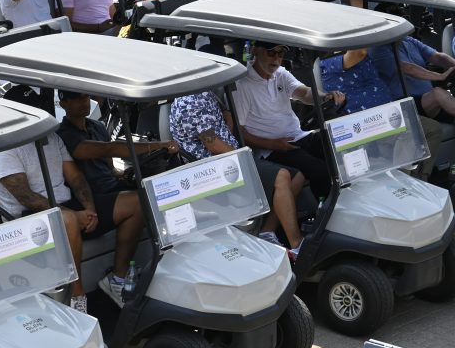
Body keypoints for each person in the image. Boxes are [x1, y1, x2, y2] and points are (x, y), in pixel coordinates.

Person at [0, 86, 99, 313]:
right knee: (66, 221)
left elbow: (75, 177)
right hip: (24, 220)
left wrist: (89, 208)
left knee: (132, 202)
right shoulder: (3, 149)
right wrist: (73, 215)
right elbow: (25, 197)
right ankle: (77, 294)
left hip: (63, 206)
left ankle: (119, 277)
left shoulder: (50, 137)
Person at [57, 89, 168, 305]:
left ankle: (160, 265)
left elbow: (109, 167)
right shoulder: (64, 135)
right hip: (91, 196)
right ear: (63, 104)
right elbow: (106, 150)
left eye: (85, 96)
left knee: (157, 191)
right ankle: (118, 278)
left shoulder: (97, 127)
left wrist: (127, 176)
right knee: (137, 202)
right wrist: (157, 145)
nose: (83, 101)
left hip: (110, 188)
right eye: (76, 98)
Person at [170, 90, 305, 256]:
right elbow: (214, 146)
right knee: (282, 176)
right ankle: (298, 245)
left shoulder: (205, 92)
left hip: (229, 158)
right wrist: (245, 158)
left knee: (297, 177)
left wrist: (226, 112)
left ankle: (266, 233)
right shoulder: (189, 102)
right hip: (213, 169)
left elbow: (223, 118)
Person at [234, 42, 342, 198]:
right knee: (321, 171)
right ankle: (324, 211)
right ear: (256, 50)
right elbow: (239, 132)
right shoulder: (242, 84)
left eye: (281, 54)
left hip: (298, 136)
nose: (277, 59)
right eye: (271, 52)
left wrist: (325, 97)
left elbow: (304, 94)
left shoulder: (280, 74)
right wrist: (273, 144)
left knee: (338, 147)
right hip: (271, 149)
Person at [321, 46, 442, 181]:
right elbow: (359, 52)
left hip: (387, 115)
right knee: (407, 129)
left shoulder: (353, 54)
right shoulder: (328, 63)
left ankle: (420, 179)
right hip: (364, 122)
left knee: (433, 129)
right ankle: (402, 183)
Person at [370, 30, 455, 124]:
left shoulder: (408, 41)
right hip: (404, 104)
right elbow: (407, 68)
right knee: (437, 93)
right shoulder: (377, 49)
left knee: (443, 95)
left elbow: (438, 57)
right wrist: (440, 76)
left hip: (426, 99)